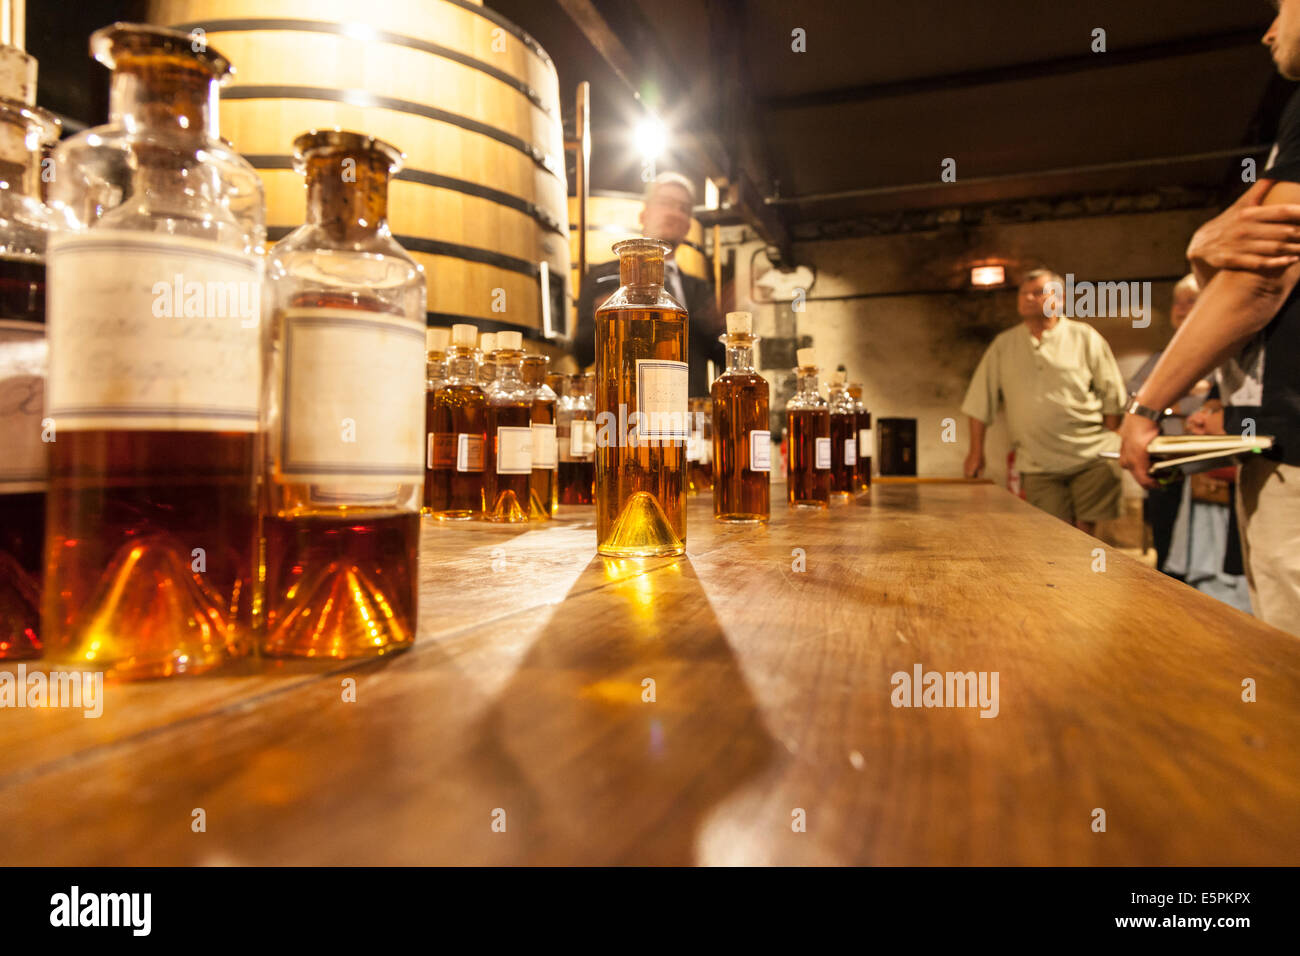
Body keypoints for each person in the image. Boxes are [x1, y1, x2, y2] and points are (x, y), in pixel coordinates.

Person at [1119, 4, 1300, 636]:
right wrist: (1202, 252)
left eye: (1282, 7)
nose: (1269, 30)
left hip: (1293, 461)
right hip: (1273, 441)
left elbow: (1262, 277)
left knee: (1286, 663)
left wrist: (1144, 410)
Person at [962, 268, 1127, 535]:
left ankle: (1087, 577)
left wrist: (1111, 440)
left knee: (1088, 537)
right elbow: (979, 400)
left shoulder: (1084, 337)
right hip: (1038, 462)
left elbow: (1113, 395)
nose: (1028, 298)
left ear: (1059, 299)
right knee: (1053, 535)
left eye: (1038, 292)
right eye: (1023, 293)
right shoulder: (1004, 345)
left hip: (1091, 457)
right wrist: (975, 452)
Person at [574, 172, 723, 396]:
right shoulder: (602, 278)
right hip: (625, 408)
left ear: (688, 226)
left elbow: (720, 356)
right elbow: (581, 352)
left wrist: (727, 325)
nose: (674, 213)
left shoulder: (700, 290)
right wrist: (605, 323)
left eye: (683, 208)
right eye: (665, 203)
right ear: (643, 214)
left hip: (685, 414)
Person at [1127, 274, 1212, 576]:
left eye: (1191, 301)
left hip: (1207, 470)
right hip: (1167, 464)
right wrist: (1173, 404)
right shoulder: (1161, 359)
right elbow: (1134, 399)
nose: (1181, 308)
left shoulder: (1222, 355)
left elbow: (1210, 404)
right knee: (1165, 538)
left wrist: (1167, 405)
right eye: (1177, 302)